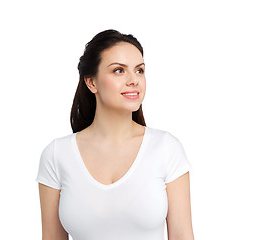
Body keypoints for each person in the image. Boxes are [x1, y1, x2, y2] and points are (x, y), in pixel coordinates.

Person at [35, 29, 194, 240]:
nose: (134, 80)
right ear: (91, 82)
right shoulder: (57, 154)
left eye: (139, 70)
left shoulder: (166, 148)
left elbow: (182, 235)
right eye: (119, 70)